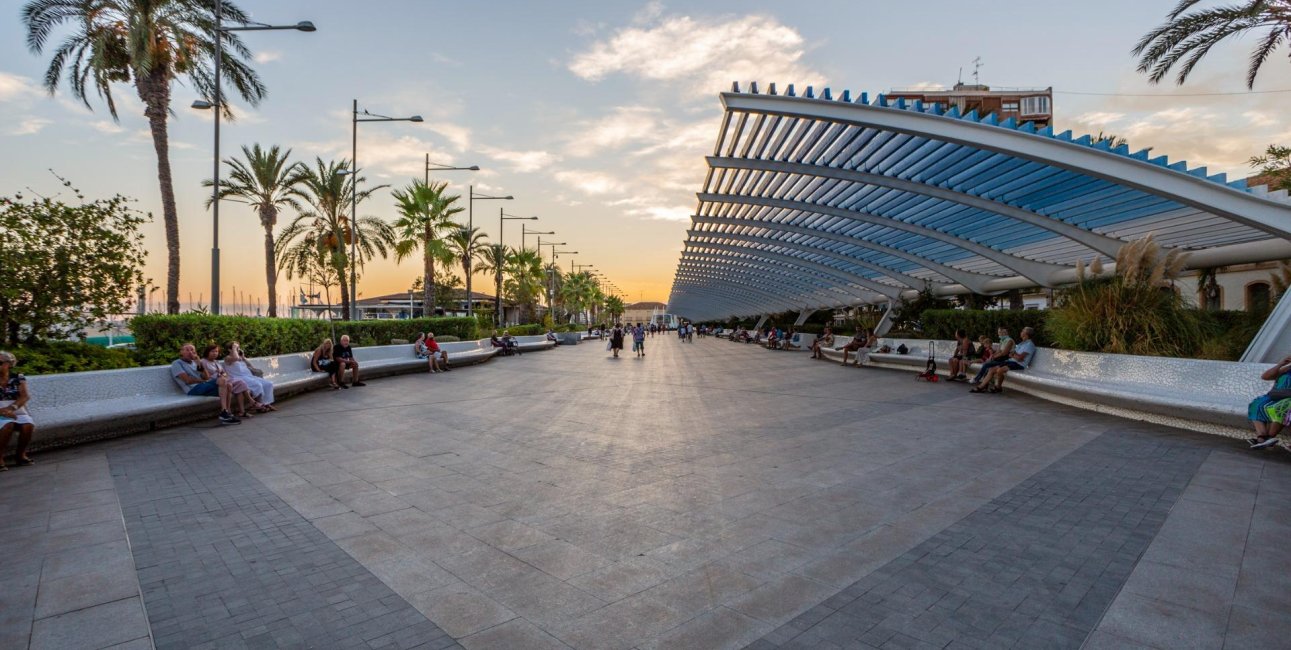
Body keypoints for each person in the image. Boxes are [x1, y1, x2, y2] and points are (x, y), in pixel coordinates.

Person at [171, 343, 239, 424]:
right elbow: (187, 380)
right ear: (181, 352)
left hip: (202, 387)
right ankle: (224, 413)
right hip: (192, 389)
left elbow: (206, 377)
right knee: (223, 381)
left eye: (192, 350)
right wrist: (203, 381)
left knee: (229, 385)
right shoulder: (177, 363)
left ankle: (227, 413)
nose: (190, 352)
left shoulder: (195, 363)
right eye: (187, 350)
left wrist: (200, 364)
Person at [198, 344, 260, 417]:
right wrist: (220, 375)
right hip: (215, 382)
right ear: (207, 352)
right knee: (238, 385)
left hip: (225, 380)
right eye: (212, 351)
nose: (215, 353)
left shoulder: (216, 362)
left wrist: (222, 375)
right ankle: (251, 402)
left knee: (240, 384)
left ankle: (242, 411)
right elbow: (205, 376)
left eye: (216, 351)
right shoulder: (203, 362)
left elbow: (224, 373)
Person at [0, 351, 35, 470]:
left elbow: (25, 396)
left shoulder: (18, 377)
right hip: (0, 412)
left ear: (9, 364)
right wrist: (3, 412)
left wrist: (11, 409)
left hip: (16, 409)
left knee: (27, 425)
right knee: (7, 425)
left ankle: (20, 455)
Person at [1248, 352, 1291, 449]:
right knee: (1256, 404)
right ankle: (1261, 437)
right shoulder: (1287, 369)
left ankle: (1269, 438)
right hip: (1275, 395)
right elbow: (1265, 377)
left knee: (1281, 407)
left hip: (1288, 399)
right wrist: (1281, 364)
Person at [975, 327, 1036, 393]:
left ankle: (997, 387)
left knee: (999, 370)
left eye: (1022, 331)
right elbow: (1013, 354)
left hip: (1019, 364)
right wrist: (1014, 355)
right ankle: (982, 387)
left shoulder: (1029, 345)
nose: (1021, 332)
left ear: (1026, 334)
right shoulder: (1022, 343)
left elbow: (1020, 358)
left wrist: (1013, 355)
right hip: (1011, 361)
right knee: (991, 369)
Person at [224, 341, 275, 411]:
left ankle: (266, 403)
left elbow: (251, 366)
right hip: (239, 378)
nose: (238, 349)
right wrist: (234, 348)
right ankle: (260, 406)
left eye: (238, 348)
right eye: (236, 348)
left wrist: (244, 358)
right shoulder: (228, 358)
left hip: (249, 377)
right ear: (229, 349)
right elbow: (236, 358)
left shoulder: (240, 358)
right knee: (258, 385)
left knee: (268, 384)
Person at [970, 327, 1016, 392]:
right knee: (988, 366)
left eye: (1001, 332)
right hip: (1000, 359)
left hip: (1005, 360)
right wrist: (992, 356)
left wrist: (994, 357)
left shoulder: (1009, 341)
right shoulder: (1002, 340)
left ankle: (977, 379)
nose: (999, 334)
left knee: (986, 365)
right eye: (999, 332)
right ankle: (984, 386)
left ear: (1005, 332)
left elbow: (1004, 353)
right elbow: (998, 351)